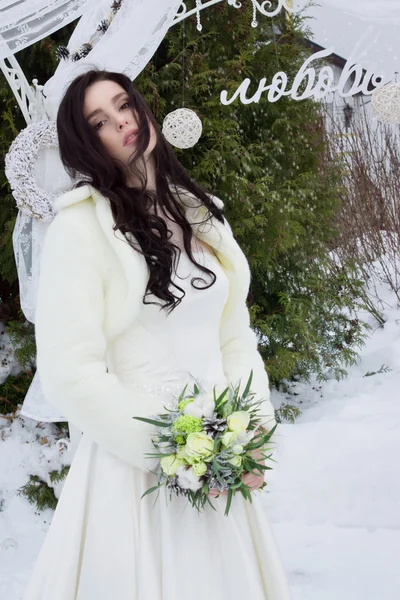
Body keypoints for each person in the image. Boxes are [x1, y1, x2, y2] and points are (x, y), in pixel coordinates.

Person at [22, 68, 292, 600]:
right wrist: (170, 452)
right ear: (85, 143)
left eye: (124, 104)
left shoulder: (201, 211)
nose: (122, 121)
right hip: (134, 473)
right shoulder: (77, 231)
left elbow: (233, 336)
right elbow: (69, 372)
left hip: (221, 457)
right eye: (100, 121)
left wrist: (247, 433)